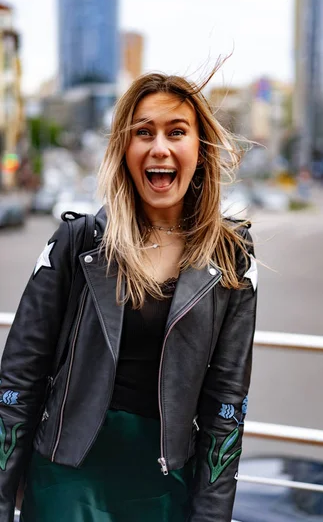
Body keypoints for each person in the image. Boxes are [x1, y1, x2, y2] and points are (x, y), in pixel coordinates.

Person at [0, 70, 257, 522]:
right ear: (124, 149)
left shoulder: (231, 257)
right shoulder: (79, 242)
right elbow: (19, 380)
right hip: (66, 481)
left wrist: (210, 514)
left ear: (200, 149)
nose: (160, 147)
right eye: (143, 132)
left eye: (177, 132)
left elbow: (226, 406)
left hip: (162, 489)